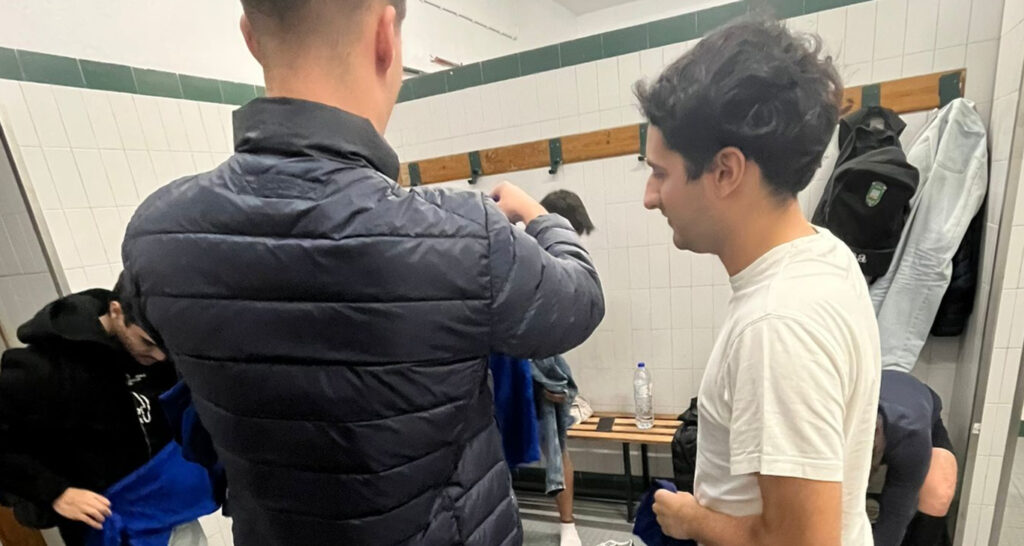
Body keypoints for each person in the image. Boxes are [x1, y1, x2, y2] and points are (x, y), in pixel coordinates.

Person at [118, 1, 605, 545]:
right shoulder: (463, 235)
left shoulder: (157, 236)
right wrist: (541, 217)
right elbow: (580, 303)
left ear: (250, 37)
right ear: (384, 35)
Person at [640, 18, 881, 545]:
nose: (649, 196)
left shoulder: (777, 324)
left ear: (726, 172)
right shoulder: (825, 252)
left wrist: (691, 518)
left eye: (661, 173)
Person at [0, 282, 208, 546]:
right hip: (107, 529)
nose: (158, 356)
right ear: (115, 311)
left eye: (166, 348)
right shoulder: (44, 368)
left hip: (173, 515)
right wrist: (54, 493)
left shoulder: (161, 355)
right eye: (148, 343)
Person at [533, 190, 594, 546]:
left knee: (558, 440)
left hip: (543, 360)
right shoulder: (525, 252)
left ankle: (567, 524)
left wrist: (553, 376)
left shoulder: (558, 262)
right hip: (511, 365)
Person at [869, 370, 957, 546]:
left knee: (939, 492)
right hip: (876, 403)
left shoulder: (911, 436)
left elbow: (895, 517)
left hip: (917, 409)